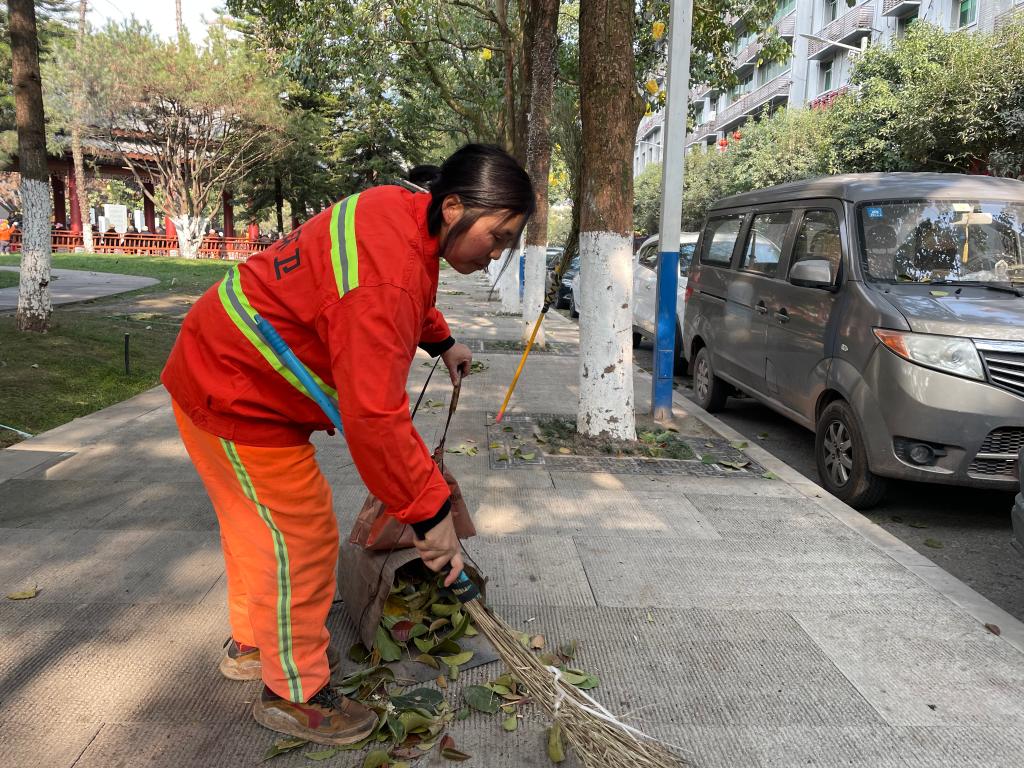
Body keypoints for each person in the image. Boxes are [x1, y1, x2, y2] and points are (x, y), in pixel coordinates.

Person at [161, 144, 534, 746]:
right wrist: (431, 514)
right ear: (454, 207)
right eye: (498, 237)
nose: (497, 253)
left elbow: (405, 288)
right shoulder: (387, 278)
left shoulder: (400, 211)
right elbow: (375, 418)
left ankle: (255, 645)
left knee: (256, 528)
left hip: (225, 361)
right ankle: (295, 693)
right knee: (301, 538)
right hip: (235, 389)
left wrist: (441, 341)